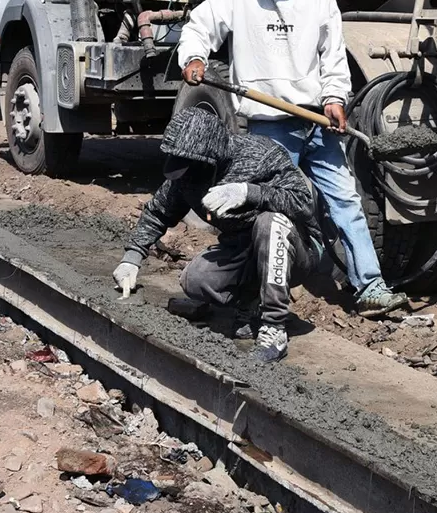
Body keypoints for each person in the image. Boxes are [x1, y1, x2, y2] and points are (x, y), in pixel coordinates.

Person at [179, 0, 408, 317]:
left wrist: (335, 96)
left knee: (345, 201)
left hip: (317, 120)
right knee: (259, 208)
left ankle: (370, 286)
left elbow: (332, 50)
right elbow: (199, 27)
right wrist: (195, 56)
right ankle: (243, 285)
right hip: (270, 125)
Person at [113, 108, 322, 363]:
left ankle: (274, 328)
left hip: (296, 249)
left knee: (270, 222)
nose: (186, 174)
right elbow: (158, 212)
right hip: (243, 249)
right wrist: (132, 257)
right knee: (196, 280)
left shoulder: (262, 155)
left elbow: (303, 204)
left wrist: (251, 193)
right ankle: (250, 301)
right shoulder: (189, 173)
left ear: (211, 158)